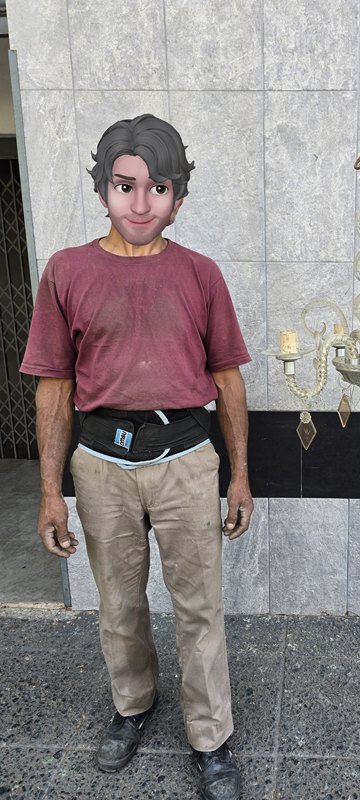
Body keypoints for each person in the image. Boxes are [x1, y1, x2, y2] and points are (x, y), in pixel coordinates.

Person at [20, 113, 253, 800]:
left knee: (199, 607)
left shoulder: (200, 275)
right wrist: (49, 491)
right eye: (126, 186)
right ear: (103, 191)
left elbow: (228, 380)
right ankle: (133, 705)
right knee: (119, 602)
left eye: (158, 187)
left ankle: (211, 737)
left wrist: (239, 476)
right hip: (101, 464)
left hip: (186, 458)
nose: (141, 202)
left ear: (178, 197)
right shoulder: (67, 272)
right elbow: (54, 388)